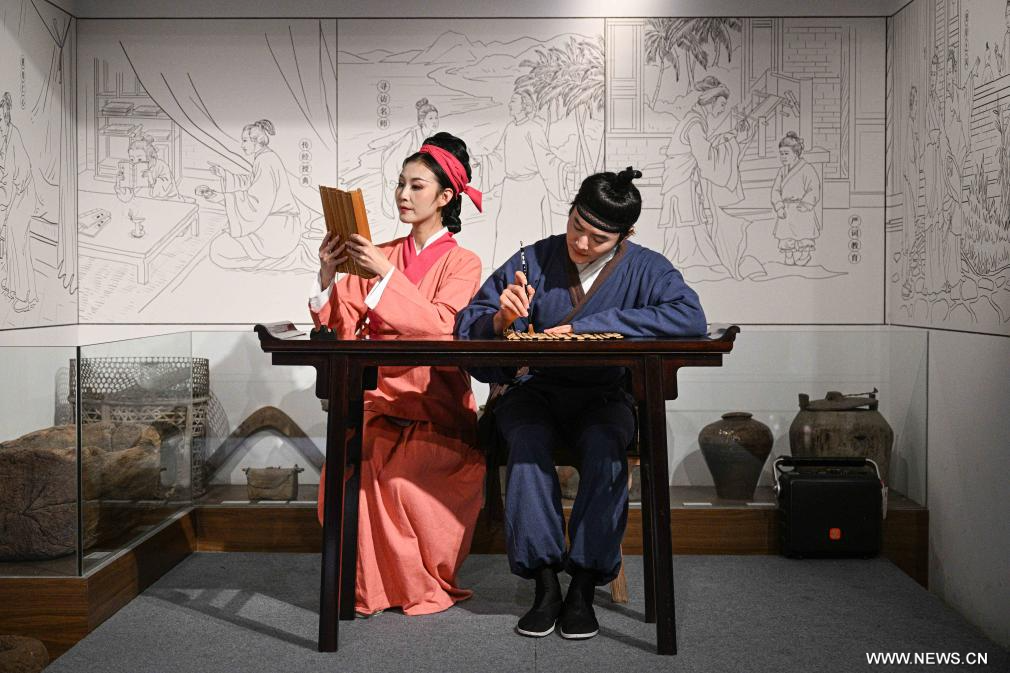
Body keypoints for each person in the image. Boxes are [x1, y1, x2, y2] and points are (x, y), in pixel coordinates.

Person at [454, 167, 706, 640]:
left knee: (607, 449)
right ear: (570, 211)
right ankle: (545, 584)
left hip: (603, 394)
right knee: (526, 444)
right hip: (534, 390)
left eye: (599, 238)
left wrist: (590, 326)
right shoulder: (532, 258)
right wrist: (501, 319)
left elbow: (689, 317)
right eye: (576, 226)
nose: (582, 243)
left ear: (625, 235)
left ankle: (585, 586)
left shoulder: (647, 268)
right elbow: (469, 324)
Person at [310, 131, 486, 617]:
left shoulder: (462, 262)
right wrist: (327, 277)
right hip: (378, 403)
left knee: (399, 481)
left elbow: (440, 327)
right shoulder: (379, 252)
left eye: (417, 186)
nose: (403, 195)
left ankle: (410, 584)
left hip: (435, 408)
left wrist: (386, 277)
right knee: (353, 468)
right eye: (400, 184)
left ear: (445, 197)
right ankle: (366, 586)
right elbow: (342, 325)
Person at [657, 76, 757, 279]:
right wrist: (735, 142)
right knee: (686, 224)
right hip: (682, 182)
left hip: (683, 180)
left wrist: (732, 136)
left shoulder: (695, 120)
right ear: (711, 101)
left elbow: (707, 146)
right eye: (721, 104)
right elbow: (707, 158)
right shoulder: (695, 124)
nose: (722, 109)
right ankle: (697, 263)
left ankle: (690, 262)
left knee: (687, 224)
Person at [206, 119, 315, 271]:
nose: (242, 145)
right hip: (274, 225)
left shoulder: (265, 161)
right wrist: (224, 174)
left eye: (245, 140)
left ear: (256, 141)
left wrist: (220, 197)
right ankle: (279, 259)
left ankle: (287, 260)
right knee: (220, 246)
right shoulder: (265, 158)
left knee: (217, 250)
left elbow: (256, 202)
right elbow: (251, 182)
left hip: (278, 230)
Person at [480, 90, 571, 266]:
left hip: (531, 188)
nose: (509, 105)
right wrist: (482, 161)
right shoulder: (510, 128)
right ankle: (505, 268)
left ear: (525, 105)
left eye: (513, 101)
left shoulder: (533, 129)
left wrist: (563, 168)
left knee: (529, 231)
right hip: (511, 188)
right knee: (506, 228)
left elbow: (545, 157)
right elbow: (499, 156)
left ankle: (530, 269)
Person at [0, 91, 38, 313]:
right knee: (12, 243)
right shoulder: (5, 138)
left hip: (22, 197)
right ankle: (14, 286)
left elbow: (9, 182)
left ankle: (26, 295)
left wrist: (3, 211)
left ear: (5, 117)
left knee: (18, 245)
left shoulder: (13, 136)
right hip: (14, 195)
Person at [379, 98, 439, 221]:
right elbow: (396, 157)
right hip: (395, 164)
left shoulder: (433, 138)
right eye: (430, 118)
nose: (434, 121)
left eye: (436, 118)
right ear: (422, 121)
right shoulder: (412, 136)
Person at [771, 132, 822, 266]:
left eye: (786, 153)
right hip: (786, 208)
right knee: (786, 235)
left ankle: (805, 254)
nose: (783, 157)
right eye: (781, 153)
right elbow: (775, 190)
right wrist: (779, 206)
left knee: (804, 234)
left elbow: (813, 188)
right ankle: (789, 255)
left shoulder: (807, 169)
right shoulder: (782, 171)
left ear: (796, 153)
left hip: (802, 208)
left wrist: (806, 204)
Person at [114, 132, 181, 201]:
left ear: (149, 157)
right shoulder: (132, 170)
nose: (135, 162)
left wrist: (150, 178)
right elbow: (126, 198)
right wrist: (119, 183)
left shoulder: (161, 165)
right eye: (132, 159)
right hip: (143, 201)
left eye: (139, 159)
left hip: (167, 200)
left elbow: (164, 190)